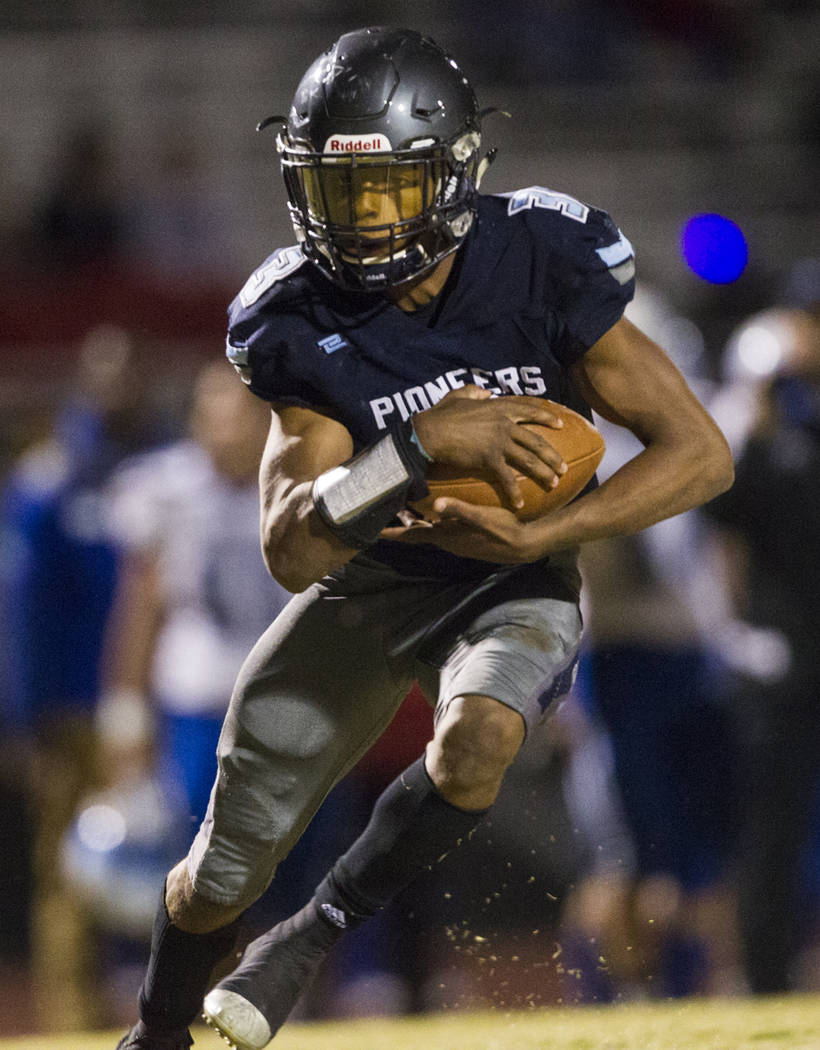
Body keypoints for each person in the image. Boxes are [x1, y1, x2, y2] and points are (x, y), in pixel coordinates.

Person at [117, 27, 733, 1050]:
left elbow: (699, 454)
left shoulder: (540, 255)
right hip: (368, 582)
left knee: (479, 739)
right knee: (221, 870)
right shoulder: (293, 311)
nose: (361, 218)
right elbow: (291, 549)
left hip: (511, 574)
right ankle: (157, 1030)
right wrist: (416, 446)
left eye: (388, 187)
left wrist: (549, 528)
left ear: (453, 171)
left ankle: (312, 937)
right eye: (337, 189)